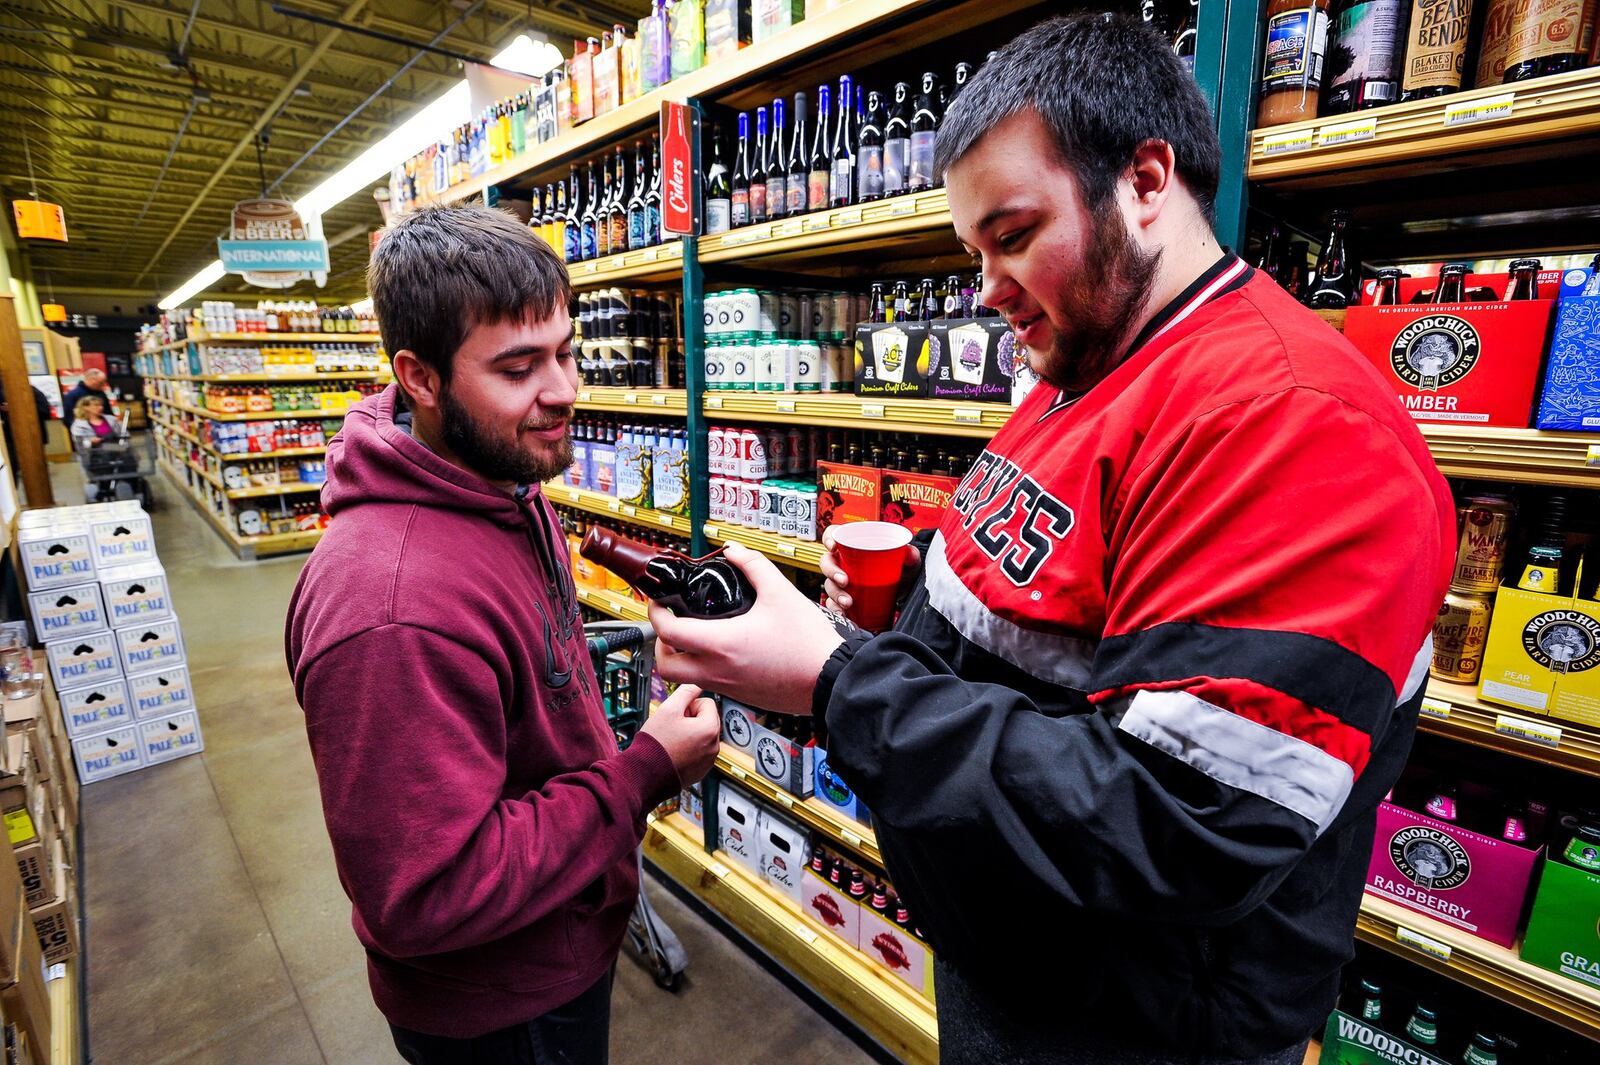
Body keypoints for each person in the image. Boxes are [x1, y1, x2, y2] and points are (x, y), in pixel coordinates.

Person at [647, 15, 1454, 1065]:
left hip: (1131, 1029)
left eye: (1014, 234)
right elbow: (1024, 632)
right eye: (972, 250)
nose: (984, 288)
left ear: (1146, 180)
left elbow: (1190, 825)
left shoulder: (1295, 423)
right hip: (1020, 966)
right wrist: (867, 634)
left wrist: (840, 686)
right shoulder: (1090, 360)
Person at [284, 204, 721, 1065]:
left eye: (565, 351)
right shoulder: (390, 606)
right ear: (420, 377)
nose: (562, 389)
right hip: (499, 1007)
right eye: (519, 366)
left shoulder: (498, 477)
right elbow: (427, 892)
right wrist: (642, 774)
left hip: (559, 935)